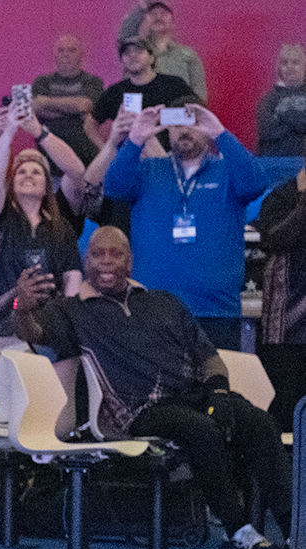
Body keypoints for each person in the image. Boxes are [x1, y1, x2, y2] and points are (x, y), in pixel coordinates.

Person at [15, 226, 290, 549]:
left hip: (192, 395)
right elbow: (32, 332)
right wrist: (21, 306)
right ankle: (240, 536)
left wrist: (218, 390)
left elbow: (208, 356)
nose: (106, 261)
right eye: (97, 254)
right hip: (137, 411)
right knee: (200, 429)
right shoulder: (70, 311)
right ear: (86, 261)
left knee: (259, 421)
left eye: (115, 254)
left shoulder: (164, 302)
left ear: (129, 262)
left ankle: (295, 531)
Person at [103, 103, 267, 351]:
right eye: (177, 124)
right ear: (168, 130)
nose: (185, 130)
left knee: (217, 389)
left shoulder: (226, 172)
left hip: (216, 312)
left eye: (193, 122)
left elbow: (256, 183)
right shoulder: (149, 170)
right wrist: (135, 139)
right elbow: (114, 187)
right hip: (153, 312)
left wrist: (220, 134)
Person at [0, 103, 86, 351]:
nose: (28, 175)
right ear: (12, 182)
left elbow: (72, 276)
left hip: (46, 331)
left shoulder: (60, 225)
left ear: (48, 184)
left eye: (36, 172)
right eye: (21, 172)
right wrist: (7, 133)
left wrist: (38, 131)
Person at [252, 145, 306, 430]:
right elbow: (274, 239)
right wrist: (303, 199)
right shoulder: (281, 196)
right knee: (287, 402)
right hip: (286, 326)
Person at [32, 34, 106, 167]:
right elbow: (37, 108)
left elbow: (84, 105)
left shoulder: (93, 81)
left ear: (81, 55)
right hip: (49, 161)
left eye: (71, 50)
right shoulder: (42, 82)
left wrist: (47, 102)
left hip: (86, 160)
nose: (65, 54)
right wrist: (74, 110)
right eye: (61, 50)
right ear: (55, 55)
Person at [92, 36, 197, 128]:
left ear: (152, 58)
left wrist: (161, 117)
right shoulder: (114, 92)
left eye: (139, 51)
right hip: (130, 150)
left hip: (167, 150)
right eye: (126, 53)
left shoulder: (174, 84)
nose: (132, 56)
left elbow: (196, 114)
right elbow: (91, 123)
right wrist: (108, 148)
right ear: (122, 61)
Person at [118, 0, 206, 103]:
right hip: (145, 116)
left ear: (172, 21)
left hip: (177, 116)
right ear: (144, 21)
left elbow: (200, 98)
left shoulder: (188, 56)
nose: (159, 17)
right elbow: (123, 35)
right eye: (153, 14)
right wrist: (142, 6)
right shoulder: (135, 56)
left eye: (163, 14)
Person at [256, 44, 306, 157]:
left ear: (304, 66)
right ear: (279, 68)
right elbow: (266, 132)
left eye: (295, 62)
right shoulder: (269, 98)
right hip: (275, 162)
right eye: (284, 63)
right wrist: (299, 122)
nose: (290, 66)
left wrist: (281, 117)